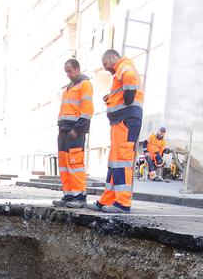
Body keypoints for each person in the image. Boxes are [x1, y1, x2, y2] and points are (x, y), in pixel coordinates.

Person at [92, 49, 143, 213]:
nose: (106, 68)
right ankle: (108, 200)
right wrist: (111, 98)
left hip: (126, 120)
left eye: (106, 64)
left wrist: (127, 97)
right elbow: (124, 91)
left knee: (122, 161)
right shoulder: (120, 70)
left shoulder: (124, 65)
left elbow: (129, 82)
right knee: (115, 162)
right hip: (121, 121)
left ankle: (123, 203)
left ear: (113, 58)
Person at [53, 59, 94, 208]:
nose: (68, 74)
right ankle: (68, 194)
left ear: (77, 69)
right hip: (64, 130)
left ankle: (79, 196)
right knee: (64, 163)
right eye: (66, 71)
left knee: (75, 163)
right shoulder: (70, 87)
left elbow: (87, 109)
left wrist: (78, 129)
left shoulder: (85, 84)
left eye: (70, 71)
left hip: (74, 130)